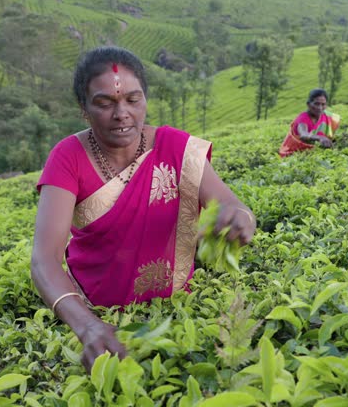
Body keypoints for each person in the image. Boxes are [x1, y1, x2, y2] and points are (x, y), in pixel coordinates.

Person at [31, 46, 256, 370]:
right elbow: (44, 259)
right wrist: (86, 324)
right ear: (84, 108)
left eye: (133, 100)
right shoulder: (68, 158)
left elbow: (235, 206)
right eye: (104, 103)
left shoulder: (177, 148)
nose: (122, 113)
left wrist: (239, 219)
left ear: (146, 100)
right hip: (97, 318)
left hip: (180, 308)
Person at [278, 88, 340, 157]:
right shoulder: (303, 118)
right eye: (316, 104)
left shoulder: (327, 117)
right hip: (295, 154)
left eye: (323, 104)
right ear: (309, 104)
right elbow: (303, 134)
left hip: (315, 153)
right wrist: (320, 138)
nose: (320, 108)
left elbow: (332, 135)